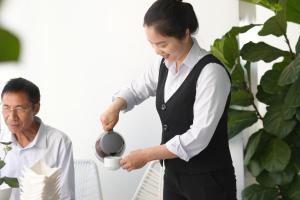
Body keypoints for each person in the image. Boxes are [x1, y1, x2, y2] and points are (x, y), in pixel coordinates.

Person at [101, 0, 236, 199]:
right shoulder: (163, 65)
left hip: (209, 181)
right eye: (152, 44)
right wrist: (116, 105)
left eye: (162, 44)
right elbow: (138, 88)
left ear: (186, 33)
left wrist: (147, 155)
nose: (157, 50)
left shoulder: (211, 73)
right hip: (174, 177)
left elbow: (198, 137)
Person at [0, 78, 75, 200]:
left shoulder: (59, 142)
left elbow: (66, 196)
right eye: (6, 108)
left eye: (19, 108)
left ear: (35, 108)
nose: (12, 116)